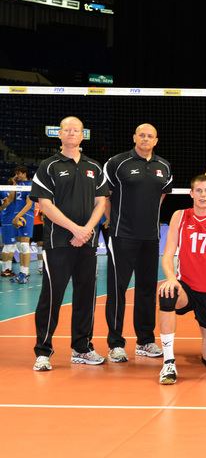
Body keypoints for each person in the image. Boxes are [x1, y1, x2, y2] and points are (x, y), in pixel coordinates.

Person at [29, 116, 109, 371]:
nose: (72, 133)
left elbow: (101, 203)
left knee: (86, 296)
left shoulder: (93, 167)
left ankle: (82, 348)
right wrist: (75, 228)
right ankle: (43, 351)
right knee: (51, 297)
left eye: (76, 130)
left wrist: (87, 230)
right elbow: (45, 205)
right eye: (67, 130)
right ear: (59, 134)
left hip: (87, 242)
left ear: (82, 135)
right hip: (58, 242)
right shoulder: (48, 166)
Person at [156, 175, 206, 384]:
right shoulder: (180, 216)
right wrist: (171, 278)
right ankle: (168, 363)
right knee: (167, 292)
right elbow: (167, 255)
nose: (203, 195)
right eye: (198, 191)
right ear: (191, 193)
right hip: (187, 288)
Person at [104, 124, 173, 363]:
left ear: (156, 140)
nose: (145, 139)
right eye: (141, 135)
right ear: (134, 137)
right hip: (122, 236)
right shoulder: (117, 162)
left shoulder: (163, 166)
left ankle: (145, 341)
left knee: (146, 290)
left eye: (150, 136)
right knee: (117, 290)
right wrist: (112, 223)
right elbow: (105, 196)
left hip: (150, 238)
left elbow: (161, 195)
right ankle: (115, 344)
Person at [8, 167, 35, 283]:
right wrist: (14, 183)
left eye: (18, 173)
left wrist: (18, 216)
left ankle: (25, 274)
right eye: (15, 173)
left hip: (25, 216)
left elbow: (29, 204)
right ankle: (22, 273)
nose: (17, 175)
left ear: (24, 173)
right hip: (17, 216)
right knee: (19, 245)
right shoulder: (18, 184)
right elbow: (11, 199)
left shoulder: (30, 185)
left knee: (24, 245)